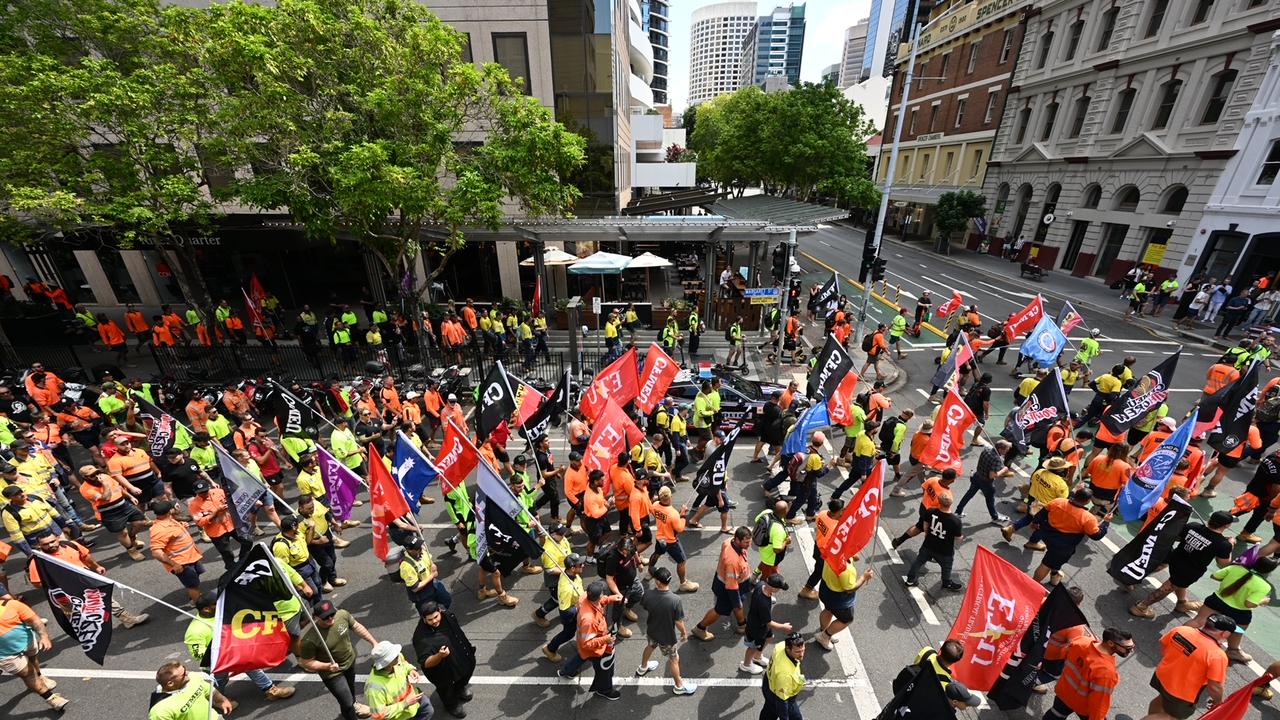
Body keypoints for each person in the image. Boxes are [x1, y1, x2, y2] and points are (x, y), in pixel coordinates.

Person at [184, 592, 295, 703]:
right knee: (219, 682)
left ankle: (271, 690)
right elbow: (198, 655)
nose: (222, 603)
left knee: (251, 666)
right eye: (216, 603)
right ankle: (216, 701)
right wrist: (223, 651)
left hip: (236, 653)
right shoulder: (195, 630)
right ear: (206, 609)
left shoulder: (223, 613)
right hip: (217, 664)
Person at [28, 530, 149, 628]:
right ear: (39, 545)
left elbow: (86, 556)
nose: (50, 545)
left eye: (52, 541)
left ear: (58, 538)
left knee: (105, 599)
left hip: (85, 580)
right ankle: (83, 630)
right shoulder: (38, 561)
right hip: (64, 592)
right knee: (74, 614)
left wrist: (96, 567)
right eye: (45, 544)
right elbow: (37, 583)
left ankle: (128, 619)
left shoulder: (71, 545)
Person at [1130, 511, 1235, 618]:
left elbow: (1178, 537)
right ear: (1226, 525)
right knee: (1169, 586)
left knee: (1179, 583)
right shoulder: (1223, 544)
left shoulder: (1193, 526)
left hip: (1176, 560)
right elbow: (1223, 563)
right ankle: (1141, 607)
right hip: (1189, 571)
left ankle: (1182, 603)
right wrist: (1230, 546)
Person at [1186, 554, 1277, 663]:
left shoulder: (1235, 568)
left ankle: (1180, 635)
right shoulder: (1264, 586)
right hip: (1239, 614)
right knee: (1238, 631)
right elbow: (1249, 604)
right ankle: (1233, 650)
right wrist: (1264, 601)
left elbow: (1214, 576)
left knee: (1198, 621)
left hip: (1216, 601)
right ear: (1269, 572)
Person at [296, 599, 378, 720]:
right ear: (316, 617)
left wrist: (374, 642)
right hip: (332, 673)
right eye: (325, 617)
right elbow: (306, 662)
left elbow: (356, 626)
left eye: (332, 614)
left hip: (350, 662)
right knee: (347, 703)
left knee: (351, 691)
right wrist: (327, 666)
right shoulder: (309, 640)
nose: (330, 618)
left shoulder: (342, 615)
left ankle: (354, 706)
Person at [1144, 616, 1234, 720]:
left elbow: (1163, 644)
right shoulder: (1217, 655)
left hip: (1161, 677)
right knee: (1171, 717)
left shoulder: (1182, 630)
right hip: (1182, 693)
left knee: (1162, 700)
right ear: (1225, 634)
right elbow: (1215, 686)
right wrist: (1217, 702)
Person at [1042, 628, 1132, 720]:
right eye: (1128, 648)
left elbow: (1066, 655)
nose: (1130, 651)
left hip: (1064, 692)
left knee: (1056, 714)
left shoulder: (1081, 641)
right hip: (1083, 706)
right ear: (1110, 643)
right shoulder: (1106, 672)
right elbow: (1099, 703)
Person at [1028, 487, 1111, 584]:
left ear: (1075, 494)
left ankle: (1054, 574)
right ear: (1088, 501)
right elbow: (1096, 536)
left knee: (1054, 559)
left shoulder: (1058, 502)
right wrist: (1106, 523)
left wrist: (1035, 522)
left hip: (1047, 535)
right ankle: (1033, 584)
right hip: (1063, 545)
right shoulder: (1088, 518)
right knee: (1046, 564)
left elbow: (1042, 514)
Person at [558, 579, 623, 701]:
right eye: (603, 595)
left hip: (585, 642)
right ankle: (604, 689)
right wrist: (605, 639)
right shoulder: (589, 620)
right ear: (598, 597)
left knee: (582, 655)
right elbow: (587, 644)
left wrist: (611, 599)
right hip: (596, 647)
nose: (604, 595)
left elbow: (599, 603)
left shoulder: (584, 597)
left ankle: (567, 671)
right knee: (604, 669)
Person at [635, 566, 696, 695]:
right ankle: (679, 686)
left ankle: (643, 667)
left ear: (657, 581)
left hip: (652, 630)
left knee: (650, 646)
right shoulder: (675, 600)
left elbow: (645, 606)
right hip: (667, 637)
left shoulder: (648, 594)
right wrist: (684, 633)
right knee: (674, 659)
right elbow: (678, 621)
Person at [413, 601, 476, 718]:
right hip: (443, 672)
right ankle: (451, 705)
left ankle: (460, 688)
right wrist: (439, 656)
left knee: (464, 674)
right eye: (430, 619)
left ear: (439, 611)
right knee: (446, 690)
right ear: (424, 619)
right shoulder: (421, 638)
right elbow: (426, 663)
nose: (435, 621)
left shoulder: (447, 615)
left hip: (460, 658)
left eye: (436, 617)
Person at [692, 526, 752, 641]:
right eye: (746, 542)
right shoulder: (732, 562)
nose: (749, 545)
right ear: (737, 540)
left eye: (750, 541)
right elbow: (731, 587)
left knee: (737, 604)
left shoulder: (728, 541)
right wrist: (736, 602)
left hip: (729, 580)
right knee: (721, 609)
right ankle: (700, 628)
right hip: (729, 587)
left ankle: (742, 625)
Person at [147, 499, 205, 605]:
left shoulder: (169, 520)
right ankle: (200, 605)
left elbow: (173, 535)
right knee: (192, 585)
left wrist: (182, 525)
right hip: (182, 563)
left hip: (191, 557)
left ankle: (195, 595)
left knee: (194, 581)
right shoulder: (159, 530)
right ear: (170, 511)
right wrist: (174, 564)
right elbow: (156, 552)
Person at [903, 494, 964, 591]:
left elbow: (925, 526)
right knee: (946, 566)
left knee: (918, 561)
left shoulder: (930, 511)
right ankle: (946, 582)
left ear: (939, 502)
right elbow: (958, 537)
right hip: (944, 550)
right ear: (951, 503)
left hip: (928, 544)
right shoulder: (955, 521)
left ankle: (910, 580)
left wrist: (927, 535)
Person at [814, 555, 873, 651]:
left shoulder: (832, 551)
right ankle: (824, 636)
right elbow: (850, 589)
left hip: (826, 589)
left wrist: (851, 556)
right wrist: (863, 578)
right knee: (846, 619)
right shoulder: (846, 569)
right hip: (839, 598)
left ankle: (824, 630)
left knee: (828, 609)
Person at [365, 640, 431, 720]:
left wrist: (410, 670)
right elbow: (379, 714)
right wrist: (405, 703)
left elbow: (404, 664)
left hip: (414, 701)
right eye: (394, 655)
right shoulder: (374, 688)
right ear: (386, 662)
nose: (398, 654)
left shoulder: (397, 658)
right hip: (401, 716)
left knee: (428, 711)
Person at [540, 552, 586, 664]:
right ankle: (550, 649)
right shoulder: (567, 588)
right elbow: (565, 611)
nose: (583, 565)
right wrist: (579, 608)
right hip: (571, 614)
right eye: (580, 564)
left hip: (578, 606)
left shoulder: (572, 574)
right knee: (568, 633)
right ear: (572, 568)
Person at [741, 573, 792, 675]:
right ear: (773, 588)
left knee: (769, 637)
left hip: (761, 625)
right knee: (753, 646)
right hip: (756, 627)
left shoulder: (761, 584)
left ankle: (757, 656)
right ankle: (746, 665)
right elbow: (769, 623)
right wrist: (783, 626)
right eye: (779, 588)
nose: (779, 591)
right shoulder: (763, 603)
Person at [650, 485, 697, 591]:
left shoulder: (655, 505)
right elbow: (680, 528)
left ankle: (650, 570)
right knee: (682, 561)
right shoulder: (673, 513)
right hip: (671, 541)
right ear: (670, 497)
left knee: (657, 553)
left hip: (660, 538)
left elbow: (654, 512)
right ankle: (683, 583)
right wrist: (683, 514)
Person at [150, 661, 233, 720]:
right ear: (170, 683)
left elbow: (210, 690)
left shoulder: (193, 678)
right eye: (183, 674)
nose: (188, 673)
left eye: (185, 669)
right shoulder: (160, 710)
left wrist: (222, 700)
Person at [955, 439, 1012, 523]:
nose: (1007, 452)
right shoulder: (996, 459)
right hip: (986, 482)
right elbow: (992, 475)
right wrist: (1004, 470)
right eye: (1006, 450)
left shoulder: (986, 450)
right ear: (1000, 449)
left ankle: (958, 511)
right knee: (990, 500)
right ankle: (995, 517)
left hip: (977, 475)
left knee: (969, 494)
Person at [760, 632, 807, 720]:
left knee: (768, 712)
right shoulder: (785, 675)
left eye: (803, 650)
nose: (801, 654)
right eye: (797, 652)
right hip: (780, 696)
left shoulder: (780, 646)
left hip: (769, 684)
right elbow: (781, 701)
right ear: (788, 649)